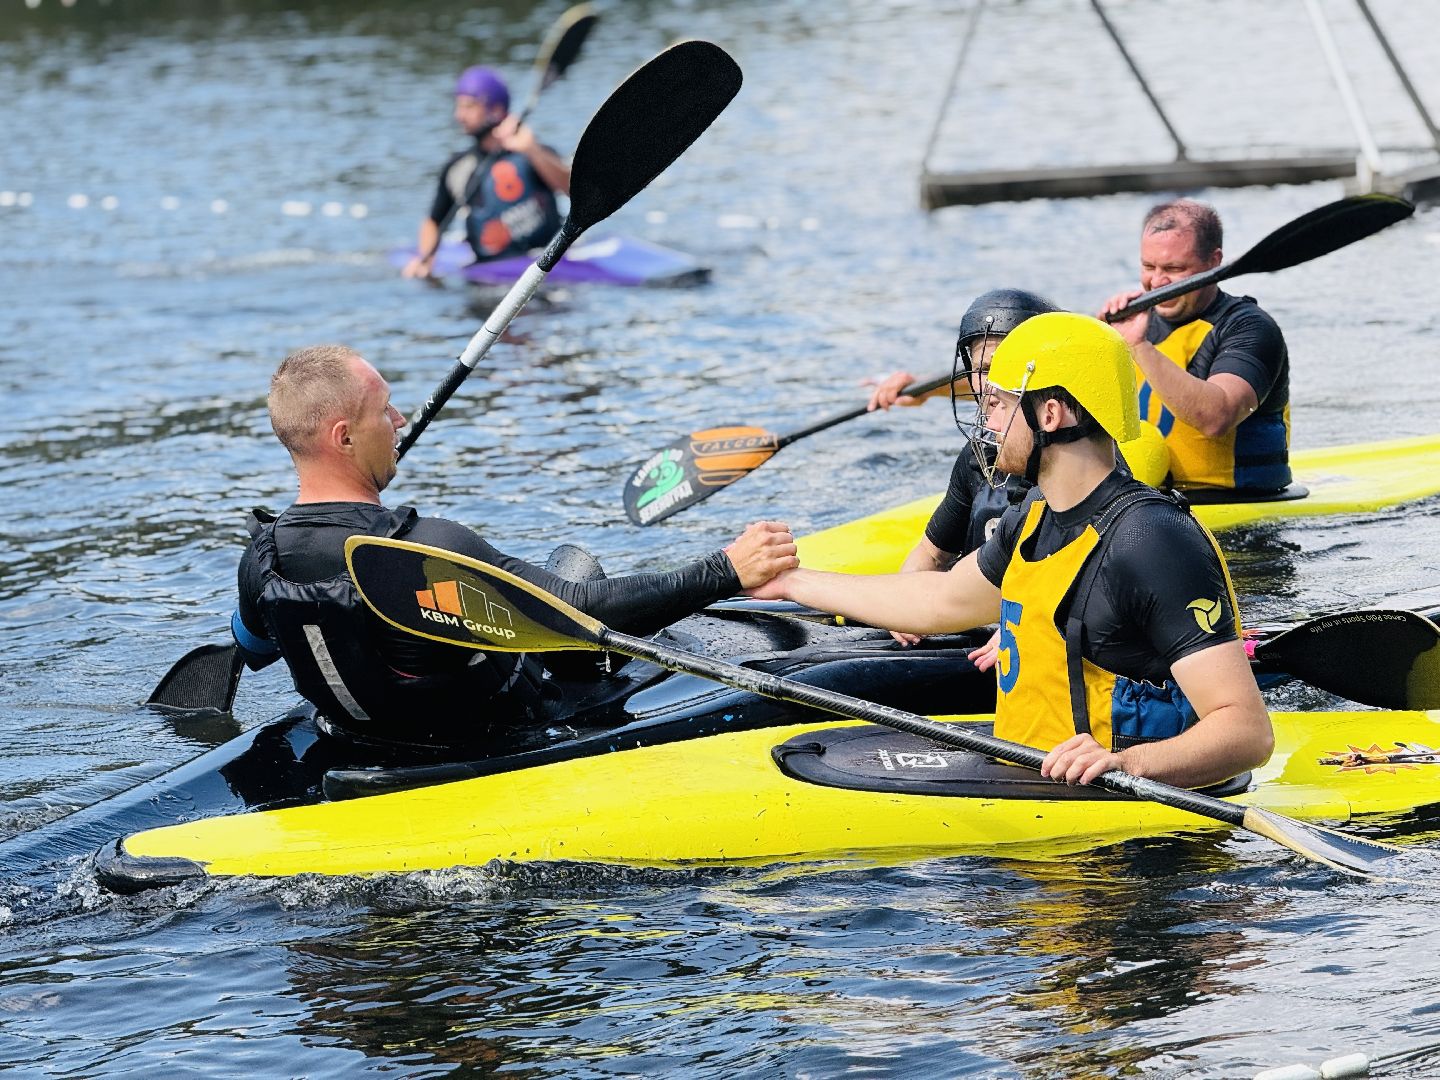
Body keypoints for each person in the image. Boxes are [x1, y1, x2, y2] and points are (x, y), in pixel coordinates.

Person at [750, 312, 1274, 789]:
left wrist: (1129, 763)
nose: (988, 422)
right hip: (1034, 773)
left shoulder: (1152, 540)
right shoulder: (1032, 517)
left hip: (1126, 826)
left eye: (998, 404)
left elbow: (1247, 733)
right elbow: (938, 602)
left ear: (1051, 415)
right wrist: (793, 581)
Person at [231, 344, 798, 752]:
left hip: (363, 739)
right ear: (344, 437)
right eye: (384, 410)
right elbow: (582, 611)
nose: (400, 420)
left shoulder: (261, 560)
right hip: (496, 735)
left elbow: (252, 646)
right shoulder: (430, 551)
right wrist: (726, 570)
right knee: (575, 566)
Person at [1099, 198, 1292, 494]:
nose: (1157, 281)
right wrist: (1099, 341)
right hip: (1149, 499)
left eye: (1174, 268)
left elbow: (1216, 418)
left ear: (1213, 262)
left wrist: (1138, 345)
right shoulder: (1129, 323)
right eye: (1148, 266)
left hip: (1232, 501)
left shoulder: (1250, 328)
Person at [402, 66, 572, 278]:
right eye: (458, 106)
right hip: (490, 273)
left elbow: (572, 190)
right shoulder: (457, 168)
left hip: (547, 262)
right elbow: (434, 221)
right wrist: (425, 257)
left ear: (496, 110)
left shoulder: (534, 151)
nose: (459, 116)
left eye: (469, 106)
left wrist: (532, 149)